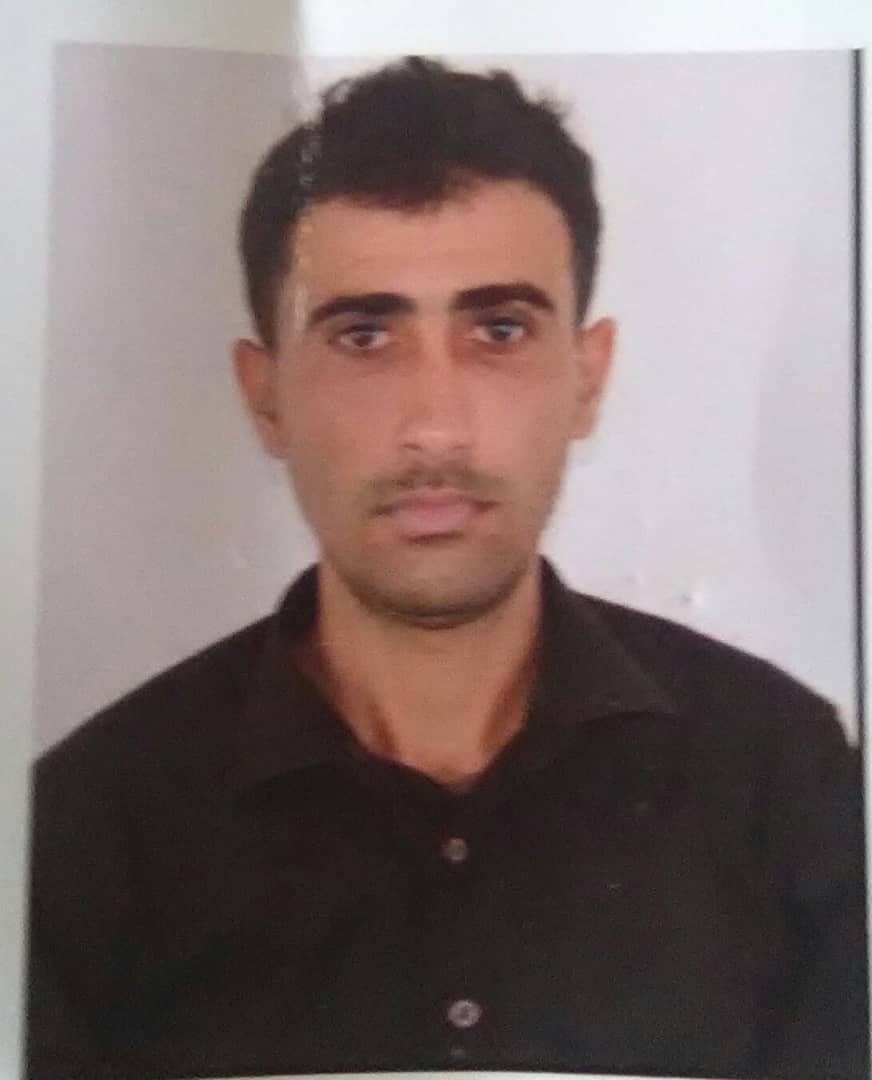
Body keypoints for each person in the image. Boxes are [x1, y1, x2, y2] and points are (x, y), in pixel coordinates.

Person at [26, 56, 867, 1080]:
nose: (434, 426)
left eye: (499, 330)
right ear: (265, 396)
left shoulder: (783, 778)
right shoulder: (81, 832)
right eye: (363, 335)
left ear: (587, 377)